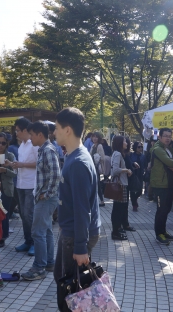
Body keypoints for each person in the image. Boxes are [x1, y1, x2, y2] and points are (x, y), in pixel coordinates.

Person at [53, 108, 100, 291]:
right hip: (72, 232)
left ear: (67, 130)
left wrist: (80, 247)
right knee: (64, 280)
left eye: (57, 127)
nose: (54, 132)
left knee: (71, 290)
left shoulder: (79, 162)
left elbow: (82, 209)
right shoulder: (74, 156)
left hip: (75, 235)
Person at [22, 121, 61, 281]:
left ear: (39, 134)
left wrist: (47, 193)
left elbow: (56, 174)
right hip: (45, 197)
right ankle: (49, 263)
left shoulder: (48, 150)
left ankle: (39, 267)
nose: (30, 138)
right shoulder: (44, 150)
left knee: (37, 232)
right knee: (46, 231)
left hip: (46, 199)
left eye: (31, 135)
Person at [11, 118, 39, 256]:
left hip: (30, 184)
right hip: (20, 183)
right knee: (23, 215)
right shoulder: (21, 145)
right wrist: (14, 164)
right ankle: (28, 241)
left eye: (17, 130)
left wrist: (22, 165)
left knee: (29, 215)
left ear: (24, 130)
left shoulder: (34, 144)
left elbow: (39, 163)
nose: (16, 133)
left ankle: (34, 243)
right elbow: (23, 163)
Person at [150, 128, 173, 245]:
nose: (168, 138)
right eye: (165, 136)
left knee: (166, 209)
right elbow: (171, 162)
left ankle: (163, 231)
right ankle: (159, 234)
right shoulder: (158, 149)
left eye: (169, 136)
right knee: (161, 210)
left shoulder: (167, 149)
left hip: (168, 183)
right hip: (160, 184)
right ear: (159, 137)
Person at [110, 136, 133, 240]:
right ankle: (115, 232)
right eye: (124, 141)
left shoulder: (116, 153)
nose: (126, 143)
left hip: (120, 183)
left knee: (118, 208)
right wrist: (126, 170)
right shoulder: (118, 154)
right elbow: (115, 170)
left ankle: (117, 230)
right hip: (120, 184)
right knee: (118, 209)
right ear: (120, 143)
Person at [90, 132, 106, 207]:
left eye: (96, 137)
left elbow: (102, 158)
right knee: (96, 184)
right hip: (93, 167)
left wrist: (96, 157)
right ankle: (99, 200)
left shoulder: (99, 146)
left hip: (97, 167)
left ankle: (101, 201)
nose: (94, 138)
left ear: (99, 138)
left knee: (97, 184)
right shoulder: (93, 146)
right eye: (93, 137)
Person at [129, 141, 146, 211]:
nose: (140, 148)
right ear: (135, 147)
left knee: (139, 191)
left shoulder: (143, 156)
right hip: (133, 174)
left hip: (140, 175)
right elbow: (129, 163)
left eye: (141, 147)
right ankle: (134, 204)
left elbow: (145, 165)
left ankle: (135, 199)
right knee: (132, 190)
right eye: (139, 147)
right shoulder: (131, 155)